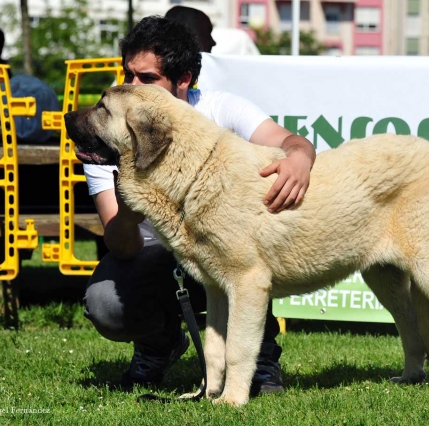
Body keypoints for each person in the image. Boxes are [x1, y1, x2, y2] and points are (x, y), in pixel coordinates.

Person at [82, 16, 316, 396]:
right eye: (128, 75)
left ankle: (261, 359)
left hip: (222, 246)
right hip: (155, 253)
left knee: (244, 250)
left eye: (147, 78)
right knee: (106, 302)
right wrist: (129, 201)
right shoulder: (110, 132)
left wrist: (300, 158)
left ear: (184, 79)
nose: (132, 87)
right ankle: (160, 344)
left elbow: (291, 141)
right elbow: (123, 246)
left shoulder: (220, 108)